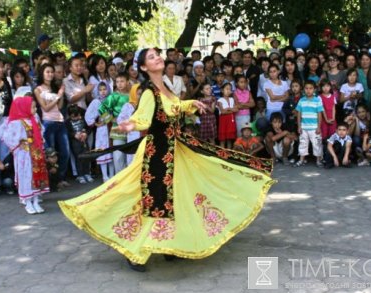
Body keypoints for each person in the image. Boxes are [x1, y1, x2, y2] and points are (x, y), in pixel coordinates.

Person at [58, 48, 275, 272]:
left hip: (174, 150)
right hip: (157, 154)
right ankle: (135, 250)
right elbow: (142, 118)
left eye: (157, 54)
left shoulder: (166, 87)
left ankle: (169, 244)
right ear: (143, 67)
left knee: (178, 196)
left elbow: (174, 106)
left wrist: (191, 104)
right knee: (155, 201)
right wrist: (126, 125)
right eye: (151, 57)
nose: (158, 57)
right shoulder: (149, 92)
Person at [0, 97, 49, 214]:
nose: (35, 109)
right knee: (26, 176)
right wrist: (16, 145)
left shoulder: (34, 119)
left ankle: (36, 200)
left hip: (36, 152)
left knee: (37, 175)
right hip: (24, 155)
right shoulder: (17, 122)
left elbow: (41, 132)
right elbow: (6, 134)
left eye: (35, 106)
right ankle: (28, 201)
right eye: (32, 107)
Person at [34, 63, 70, 189]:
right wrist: (58, 96)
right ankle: (51, 182)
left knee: (65, 152)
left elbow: (59, 107)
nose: (50, 74)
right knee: (50, 154)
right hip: (48, 122)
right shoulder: (38, 89)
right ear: (42, 73)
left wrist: (61, 95)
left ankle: (60, 178)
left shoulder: (55, 87)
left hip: (60, 121)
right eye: (47, 72)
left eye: (51, 72)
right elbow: (45, 108)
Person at [98, 73, 130, 173]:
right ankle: (119, 181)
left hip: (131, 128)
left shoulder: (132, 96)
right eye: (117, 82)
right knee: (118, 155)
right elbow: (101, 108)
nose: (119, 84)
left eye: (122, 81)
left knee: (130, 156)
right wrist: (111, 119)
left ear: (127, 82)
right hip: (118, 129)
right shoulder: (113, 96)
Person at [84, 82, 114, 182]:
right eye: (100, 90)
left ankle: (112, 174)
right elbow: (88, 115)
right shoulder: (96, 102)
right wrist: (96, 124)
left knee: (112, 151)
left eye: (104, 89)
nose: (102, 92)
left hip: (112, 128)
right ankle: (105, 176)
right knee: (103, 151)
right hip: (102, 130)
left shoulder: (112, 99)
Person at [294, 81, 324, 167]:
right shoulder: (301, 100)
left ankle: (318, 161)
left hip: (314, 128)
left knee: (317, 144)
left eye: (310, 88)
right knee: (303, 144)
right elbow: (299, 114)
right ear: (303, 90)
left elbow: (319, 114)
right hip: (304, 127)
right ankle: (301, 160)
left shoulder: (317, 100)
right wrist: (299, 126)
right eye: (306, 88)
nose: (308, 90)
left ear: (314, 89)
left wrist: (319, 127)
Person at [66, 105, 93, 184]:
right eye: (74, 117)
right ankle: (80, 175)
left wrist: (86, 133)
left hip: (84, 140)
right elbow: (67, 132)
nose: (77, 118)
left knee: (86, 157)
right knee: (78, 158)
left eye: (78, 116)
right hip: (75, 142)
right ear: (70, 116)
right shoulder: (68, 122)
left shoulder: (84, 119)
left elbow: (89, 128)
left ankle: (87, 173)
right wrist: (74, 135)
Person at [116, 84, 142, 165]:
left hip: (144, 136)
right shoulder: (127, 106)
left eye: (142, 94)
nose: (141, 96)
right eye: (139, 94)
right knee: (132, 159)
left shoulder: (145, 105)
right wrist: (129, 126)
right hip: (132, 136)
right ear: (133, 93)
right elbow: (119, 120)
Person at [217, 83, 238, 148]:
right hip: (223, 121)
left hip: (231, 121)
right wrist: (231, 110)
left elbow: (236, 110)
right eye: (227, 89)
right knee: (223, 139)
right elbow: (223, 112)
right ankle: (221, 154)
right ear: (222, 90)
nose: (228, 90)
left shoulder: (232, 99)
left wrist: (228, 109)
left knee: (229, 139)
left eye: (230, 89)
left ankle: (228, 154)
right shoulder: (220, 100)